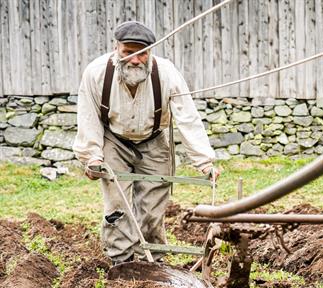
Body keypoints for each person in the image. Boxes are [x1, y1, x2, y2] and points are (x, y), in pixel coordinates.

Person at [73, 20, 220, 265]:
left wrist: (204, 162)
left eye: (142, 53)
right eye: (128, 52)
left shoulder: (166, 73)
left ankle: (151, 261)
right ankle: (121, 261)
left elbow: (187, 116)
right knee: (117, 206)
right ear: (116, 48)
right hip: (114, 140)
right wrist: (92, 157)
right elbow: (88, 115)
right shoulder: (96, 72)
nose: (135, 60)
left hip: (154, 141)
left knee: (152, 209)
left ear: (151, 51)